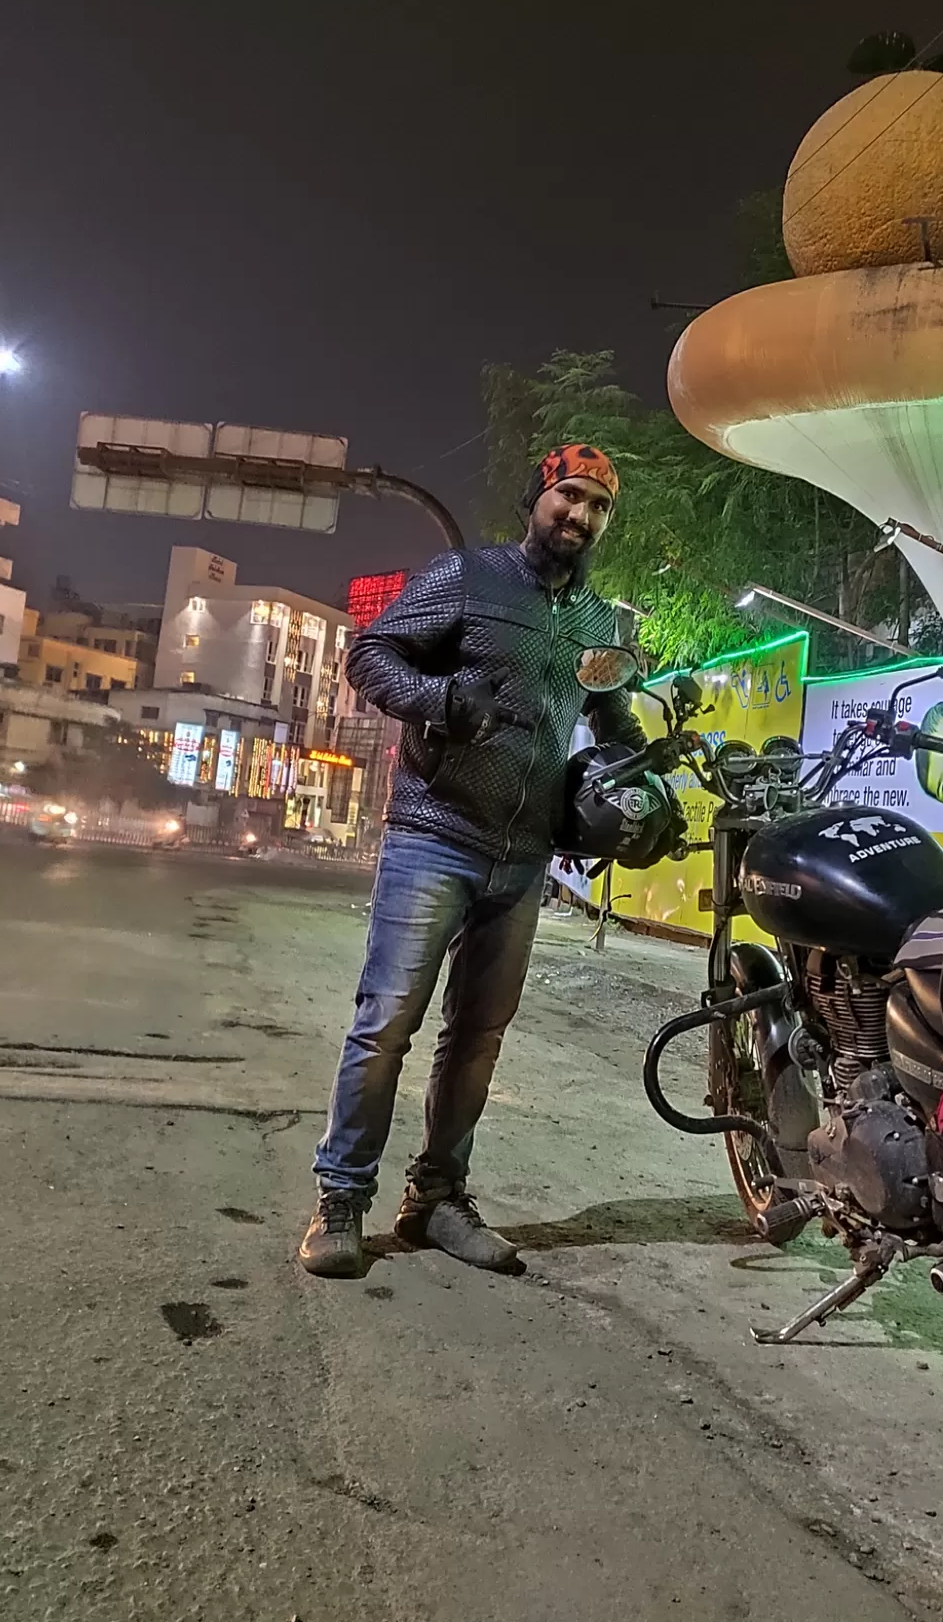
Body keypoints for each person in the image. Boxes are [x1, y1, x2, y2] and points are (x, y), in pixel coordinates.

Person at [299, 444, 644, 1278]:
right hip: (433, 834)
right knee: (386, 1027)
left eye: (597, 506)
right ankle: (341, 1201)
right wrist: (440, 701)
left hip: (523, 858)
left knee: (478, 1039)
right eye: (569, 496)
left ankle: (435, 1202)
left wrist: (647, 750)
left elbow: (608, 720)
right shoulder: (467, 577)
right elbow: (371, 655)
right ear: (537, 498)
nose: (580, 517)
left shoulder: (603, 625)